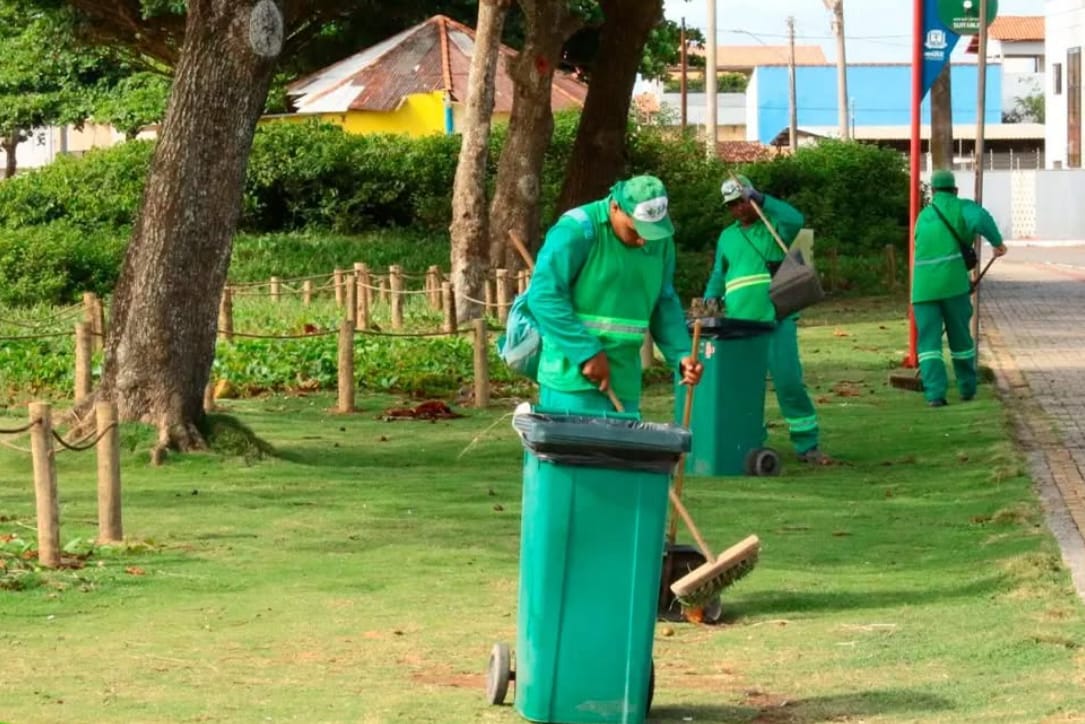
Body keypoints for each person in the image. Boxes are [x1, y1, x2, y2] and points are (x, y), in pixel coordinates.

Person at [528, 174, 703, 416]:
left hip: (625, 380)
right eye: (636, 230)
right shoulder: (576, 230)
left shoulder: (660, 241)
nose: (644, 241)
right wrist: (586, 352)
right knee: (572, 454)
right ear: (615, 207)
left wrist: (681, 354)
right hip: (572, 378)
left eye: (651, 232)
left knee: (620, 453)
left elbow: (664, 300)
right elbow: (543, 296)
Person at [703, 175, 828, 464]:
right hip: (739, 324)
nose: (738, 209)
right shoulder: (727, 236)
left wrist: (762, 199)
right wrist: (711, 295)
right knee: (744, 387)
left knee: (788, 382)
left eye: (742, 202)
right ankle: (748, 440)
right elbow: (719, 273)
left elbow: (796, 219)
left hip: (776, 318)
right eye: (732, 205)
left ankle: (807, 444)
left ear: (751, 199)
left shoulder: (773, 226)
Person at [912, 169, 1007, 407]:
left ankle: (935, 395)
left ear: (932, 192)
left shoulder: (923, 216)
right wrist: (997, 243)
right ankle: (966, 388)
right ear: (954, 190)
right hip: (953, 285)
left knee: (929, 344)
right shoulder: (961, 207)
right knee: (960, 339)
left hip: (922, 290)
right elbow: (981, 219)